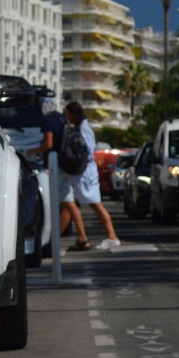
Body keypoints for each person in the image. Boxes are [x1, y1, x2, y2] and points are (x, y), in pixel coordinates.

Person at [26, 97, 88, 249]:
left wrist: (32, 151)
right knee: (69, 203)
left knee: (49, 203)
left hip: (55, 168)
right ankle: (82, 237)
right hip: (66, 167)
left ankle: (48, 239)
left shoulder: (48, 120)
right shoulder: (63, 120)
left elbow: (48, 144)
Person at [62, 101, 121, 250]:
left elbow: (87, 151)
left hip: (85, 172)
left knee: (94, 204)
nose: (67, 117)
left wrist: (76, 168)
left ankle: (111, 236)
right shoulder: (82, 127)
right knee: (70, 203)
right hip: (84, 172)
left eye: (68, 114)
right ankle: (81, 237)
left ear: (73, 113)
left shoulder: (84, 128)